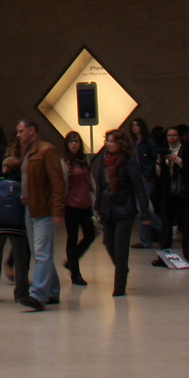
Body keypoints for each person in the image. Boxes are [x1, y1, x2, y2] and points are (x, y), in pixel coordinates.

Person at [17, 119, 66, 310]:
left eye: (21, 131)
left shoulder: (47, 151)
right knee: (40, 253)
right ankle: (52, 291)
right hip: (30, 208)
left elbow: (57, 182)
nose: (18, 135)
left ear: (32, 131)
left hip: (43, 208)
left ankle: (38, 295)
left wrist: (58, 211)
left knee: (42, 252)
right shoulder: (27, 152)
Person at [96, 129, 150, 297]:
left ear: (121, 143)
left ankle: (119, 287)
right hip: (108, 208)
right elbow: (100, 184)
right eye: (108, 141)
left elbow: (139, 188)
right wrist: (97, 205)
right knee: (108, 243)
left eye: (112, 141)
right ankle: (122, 268)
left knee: (120, 247)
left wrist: (145, 213)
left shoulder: (129, 162)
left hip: (125, 209)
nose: (109, 144)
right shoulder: (104, 161)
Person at [0, 155, 29, 302]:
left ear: (6, 168)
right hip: (17, 226)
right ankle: (21, 292)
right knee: (20, 257)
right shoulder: (22, 183)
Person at [153, 125, 189, 267]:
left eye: (174, 135)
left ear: (179, 137)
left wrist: (177, 160)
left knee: (187, 225)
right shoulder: (163, 151)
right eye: (169, 136)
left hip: (185, 193)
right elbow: (158, 175)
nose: (172, 138)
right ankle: (164, 257)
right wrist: (160, 162)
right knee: (166, 225)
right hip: (168, 193)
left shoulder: (188, 150)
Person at [61, 131, 96, 286]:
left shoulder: (84, 160)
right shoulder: (64, 161)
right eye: (71, 141)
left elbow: (91, 179)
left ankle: (71, 261)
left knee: (90, 234)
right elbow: (62, 183)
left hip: (86, 203)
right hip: (71, 205)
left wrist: (97, 194)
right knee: (72, 238)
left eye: (76, 141)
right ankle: (76, 273)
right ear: (67, 145)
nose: (74, 144)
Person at [130, 118, 160, 248]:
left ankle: (160, 230)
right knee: (142, 208)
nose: (135, 128)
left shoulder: (148, 142)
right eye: (133, 126)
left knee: (143, 208)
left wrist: (147, 175)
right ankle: (146, 239)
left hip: (146, 179)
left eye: (137, 125)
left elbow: (154, 159)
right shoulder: (137, 142)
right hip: (139, 179)